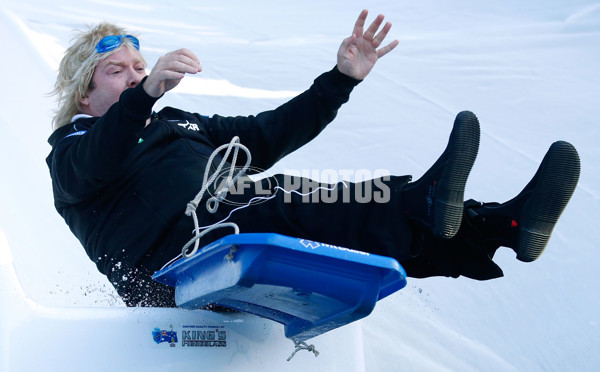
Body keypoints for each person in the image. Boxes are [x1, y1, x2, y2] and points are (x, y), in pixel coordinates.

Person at [47, 10, 580, 307]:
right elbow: (99, 158)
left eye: (139, 66)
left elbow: (265, 134)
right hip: (169, 266)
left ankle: (500, 226)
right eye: (118, 71)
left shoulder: (178, 124)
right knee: (272, 200)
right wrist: (142, 100)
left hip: (225, 224)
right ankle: (421, 201)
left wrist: (341, 80)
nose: (138, 76)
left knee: (323, 203)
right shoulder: (70, 154)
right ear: (83, 95)